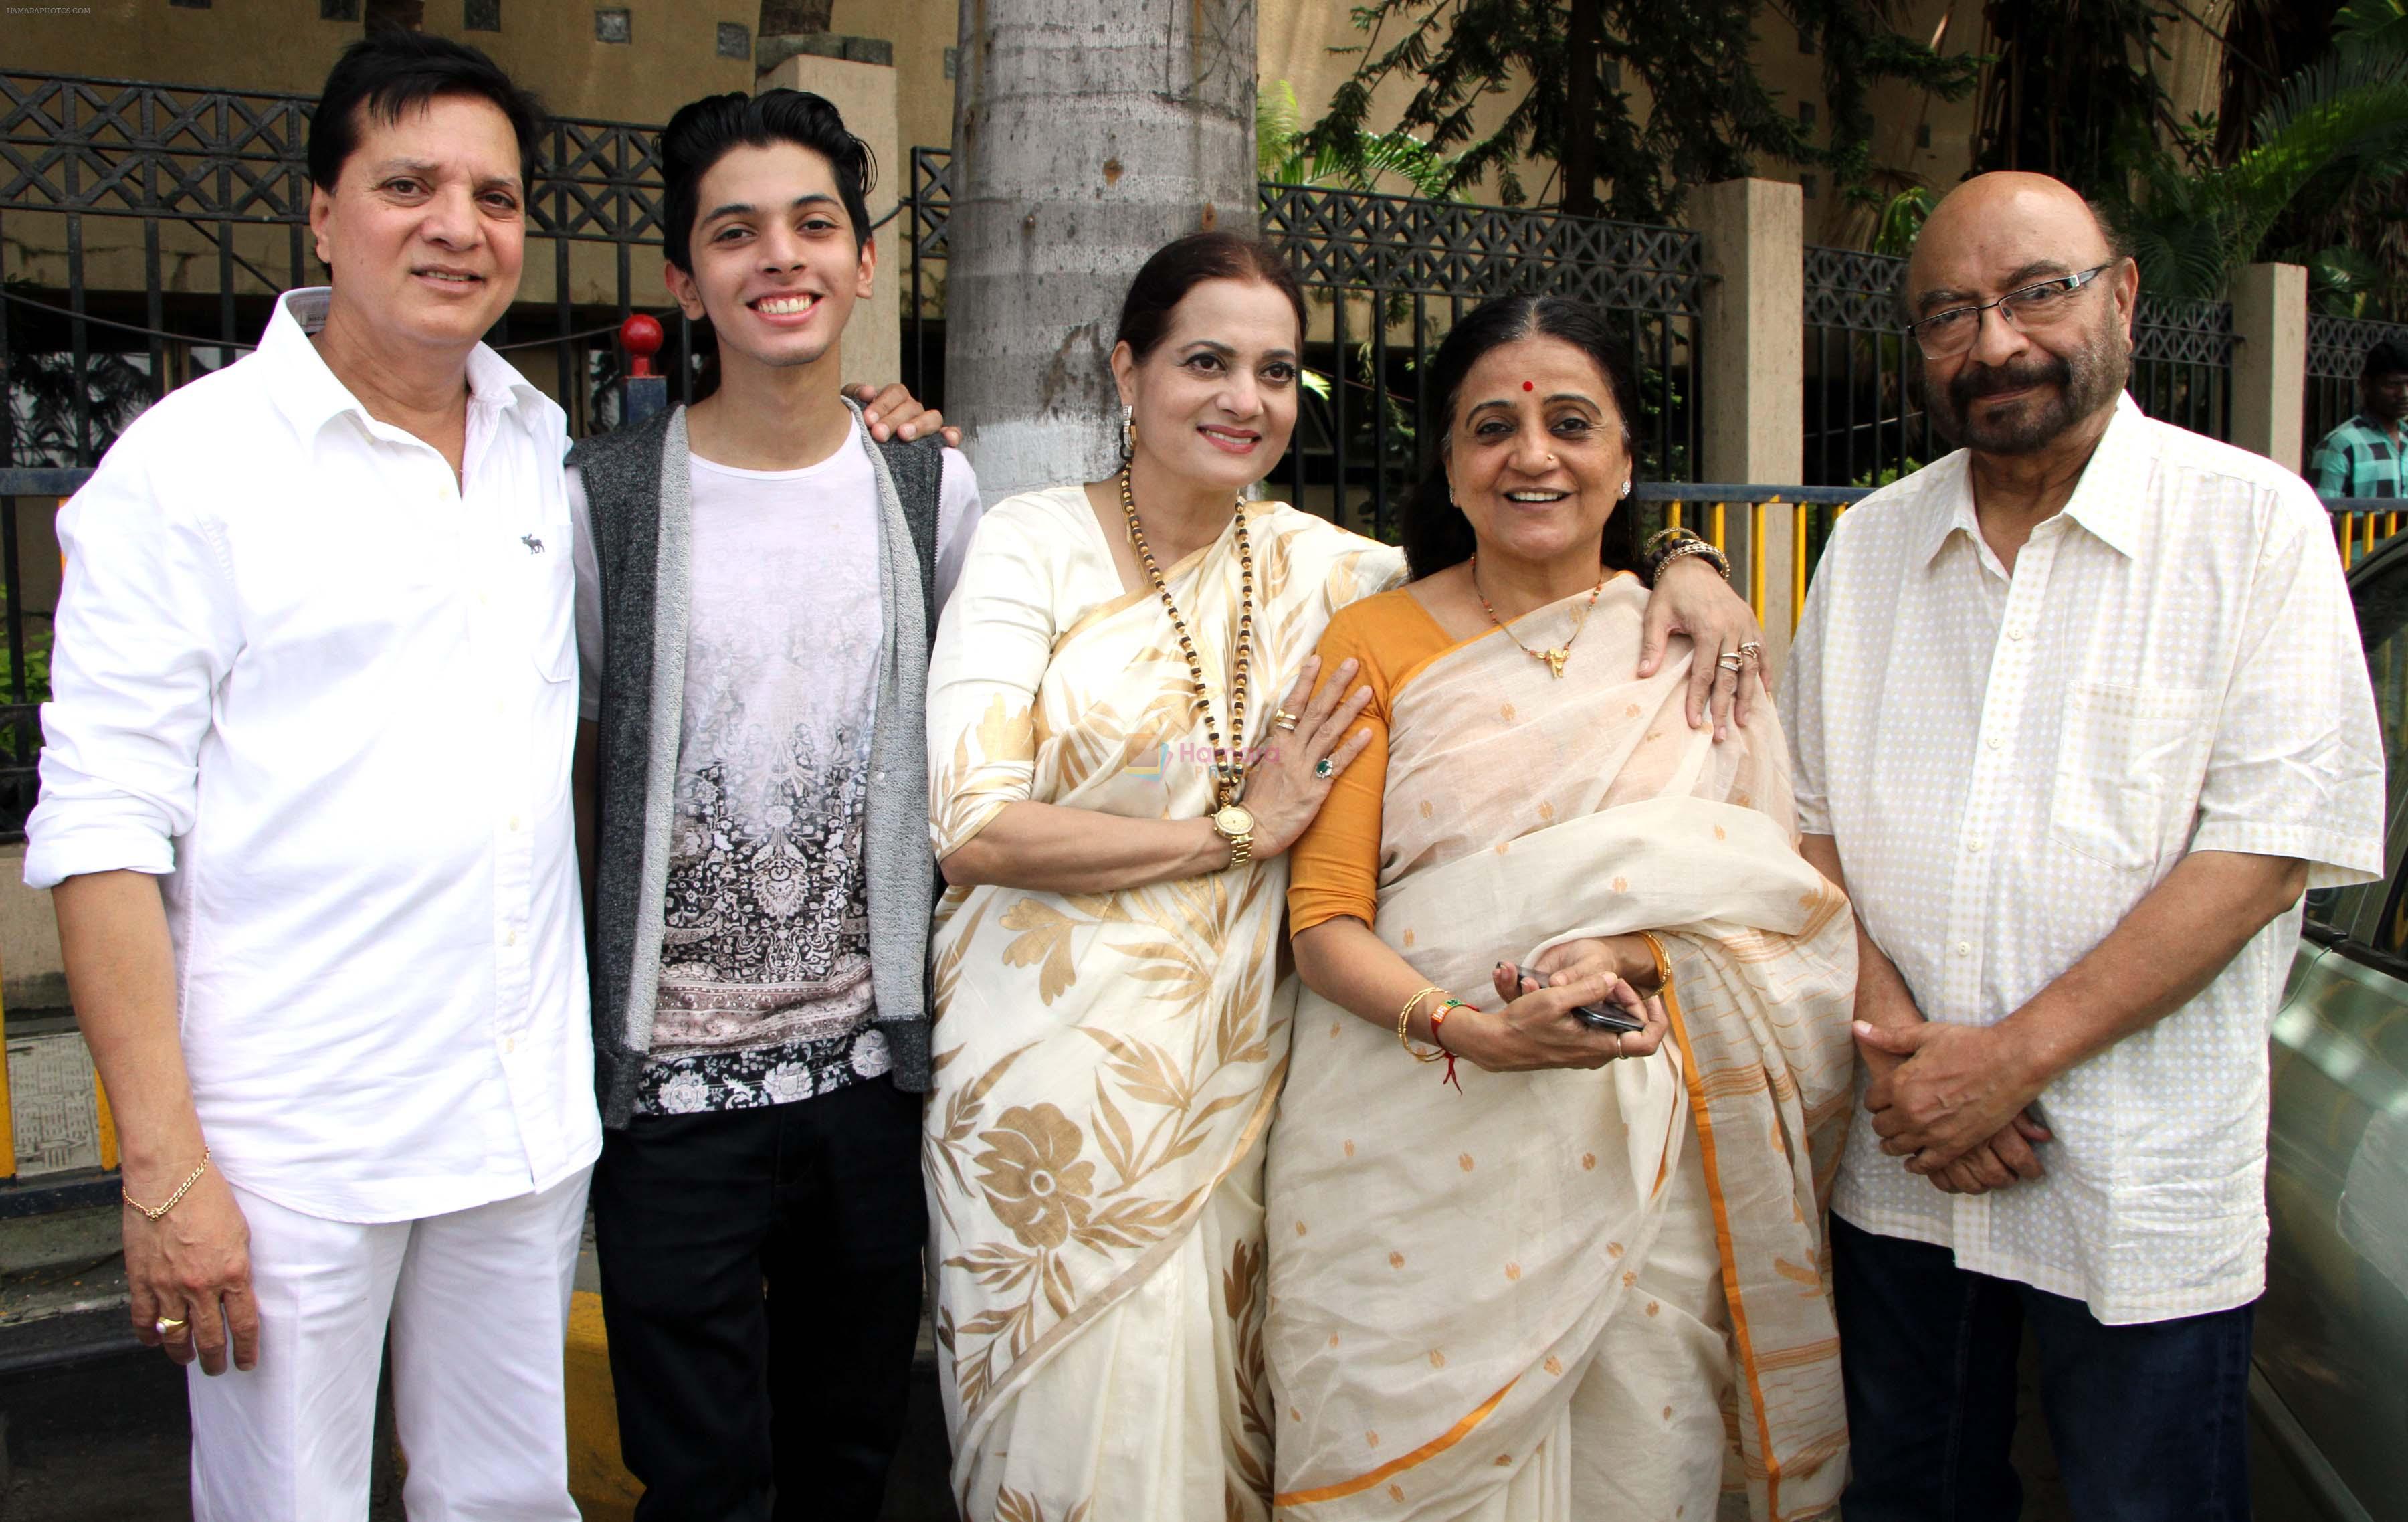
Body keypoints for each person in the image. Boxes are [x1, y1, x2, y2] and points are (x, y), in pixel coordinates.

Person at [922, 236, 1767, 1520]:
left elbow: (1530, 559)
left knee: (1223, 1451)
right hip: (1051, 1094)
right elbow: (973, 825)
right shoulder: (1027, 542)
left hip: (1249, 1097)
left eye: (1274, 370)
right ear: (1127, 369)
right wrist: (1236, 830)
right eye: (1204, 361)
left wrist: (1690, 559)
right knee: (1072, 1461)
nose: (1241, 399)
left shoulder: (1335, 576)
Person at [24, 34, 592, 1521]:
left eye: (493, 194)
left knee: (512, 1500)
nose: (457, 226)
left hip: (519, 1124)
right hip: (289, 1145)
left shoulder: (542, 448)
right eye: (407, 185)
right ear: (323, 214)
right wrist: (165, 1170)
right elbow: (98, 837)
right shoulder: (188, 470)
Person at [1781, 171, 2385, 1521]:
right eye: (1950, 311)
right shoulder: (1870, 548)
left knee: (2144, 1501)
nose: (1994, 342)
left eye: (2035, 292)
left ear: (2120, 296)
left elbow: (2267, 850)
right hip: (1908, 1161)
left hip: (2135, 1166)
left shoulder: (2253, 526)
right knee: (1913, 1495)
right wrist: (1906, 1052)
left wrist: (2005, 1063)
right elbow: (1806, 822)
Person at [1262, 294, 1858, 1522]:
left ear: (1628, 458)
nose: (1532, 455)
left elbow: (1790, 912)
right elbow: (1322, 923)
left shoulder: (1699, 651)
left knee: (1642, 1460)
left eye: (1571, 422)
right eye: (1493, 427)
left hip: (1648, 1150)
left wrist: (1638, 947)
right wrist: (1465, 1028)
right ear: (1451, 464)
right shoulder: (1371, 641)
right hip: (1401, 1143)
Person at [569, 89, 979, 1522]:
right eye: (734, 233)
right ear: (687, 281)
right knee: (697, 1482)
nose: (780, 258)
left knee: (847, 1466)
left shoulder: (933, 488)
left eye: (815, 225)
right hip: (669, 1095)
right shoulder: (605, 495)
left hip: (872, 1086)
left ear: (866, 263)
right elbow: (579, 751)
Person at [2310, 337, 2408, 500]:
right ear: (2366, 384)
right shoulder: (2340, 445)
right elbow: (2321, 519)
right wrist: (2388, 521)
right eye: (2393, 384)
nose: (2404, 394)